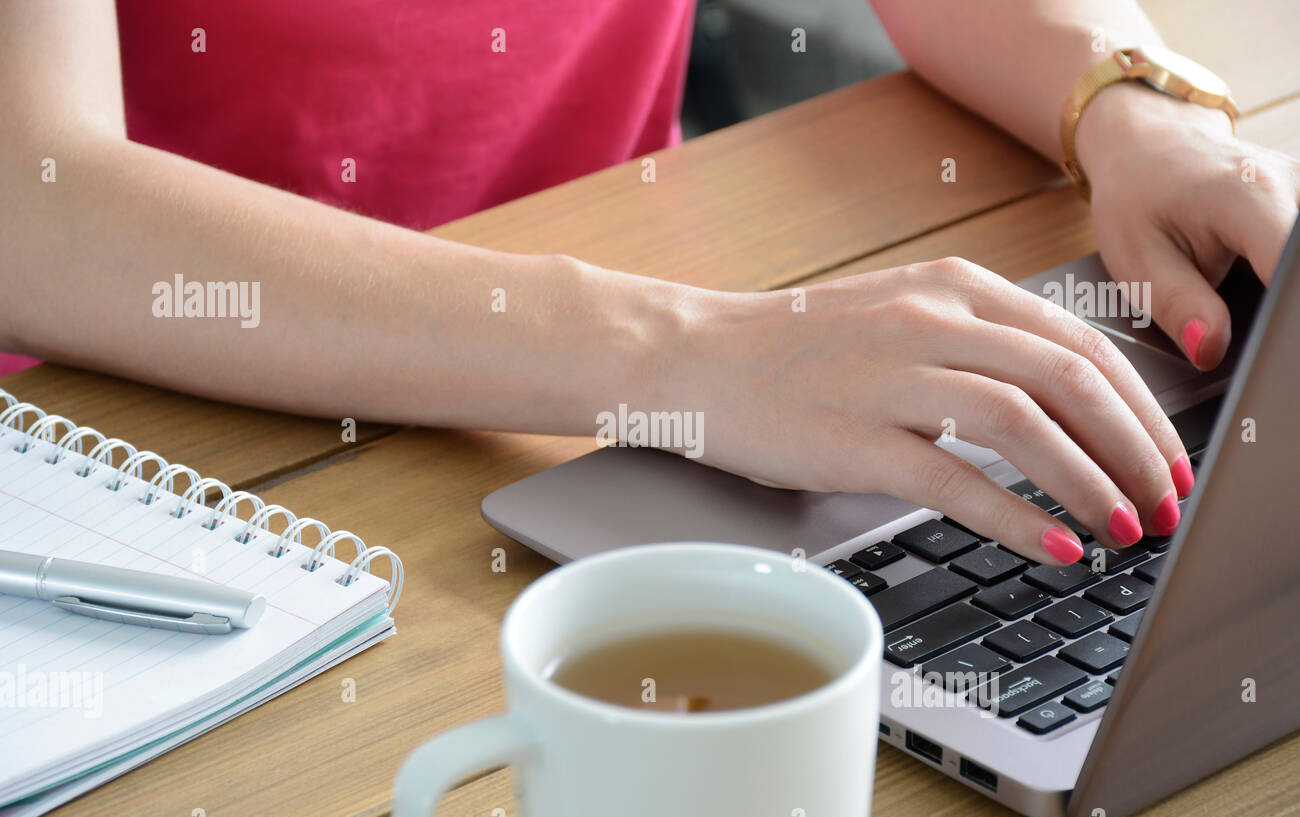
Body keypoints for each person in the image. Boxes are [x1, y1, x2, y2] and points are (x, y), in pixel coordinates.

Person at [1, 1, 1296, 567]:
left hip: (647, 388)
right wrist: (676, 355)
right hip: (158, 451)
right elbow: (28, 200)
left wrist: (1132, 106)